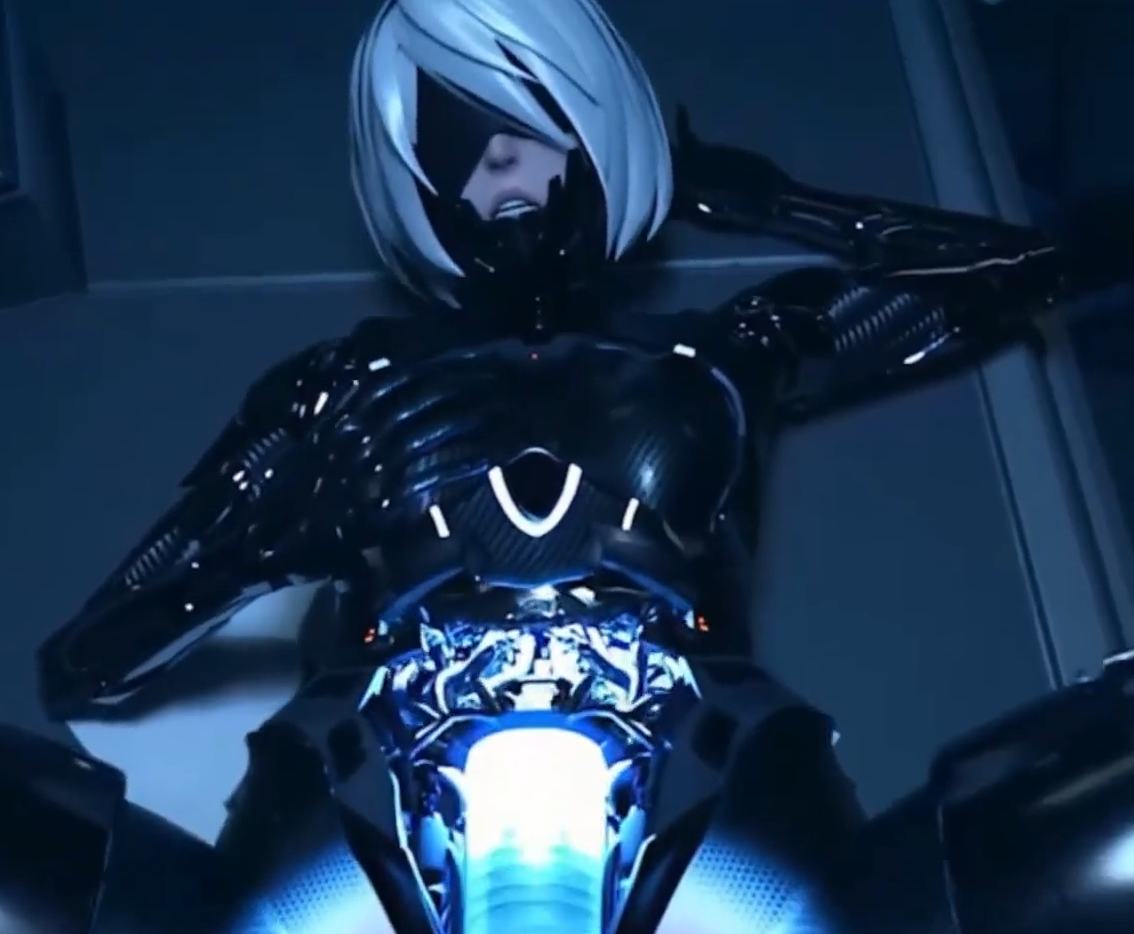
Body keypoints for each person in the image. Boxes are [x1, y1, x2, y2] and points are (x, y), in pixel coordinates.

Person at [5, 0, 1134, 932]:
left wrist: (762, 200)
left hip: (714, 784)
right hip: (357, 800)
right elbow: (86, 660)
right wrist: (274, 542)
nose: (494, 158)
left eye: (522, 118)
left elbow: (1015, 271)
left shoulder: (719, 353)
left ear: (594, 124)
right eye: (451, 139)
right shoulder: (339, 387)